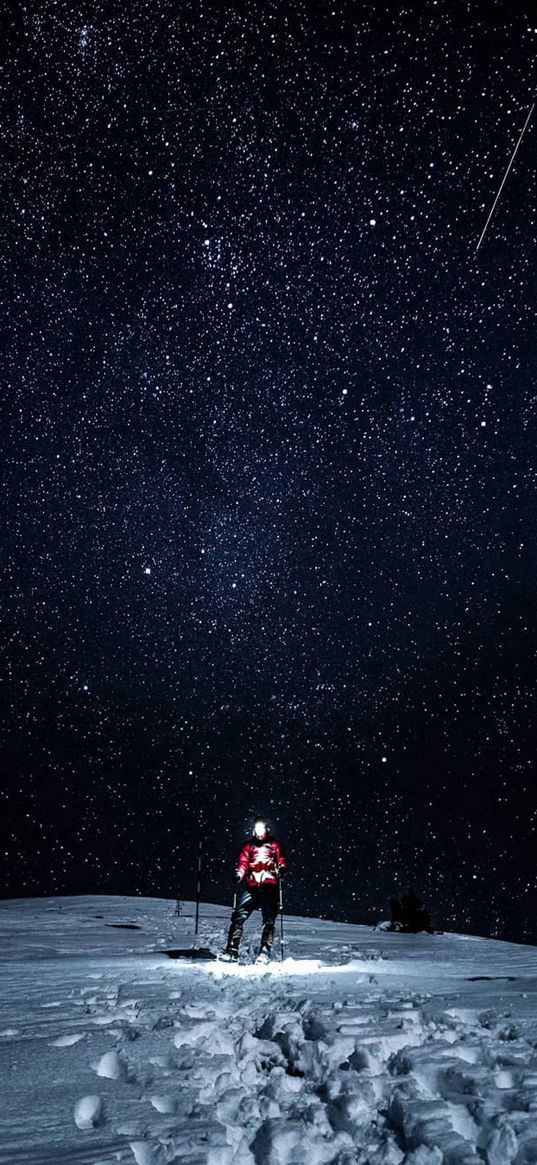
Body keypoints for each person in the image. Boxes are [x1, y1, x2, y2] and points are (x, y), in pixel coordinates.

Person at [221, 818, 287, 963]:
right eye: (257, 829)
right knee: (239, 914)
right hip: (252, 885)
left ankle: (264, 951)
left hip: (269, 885)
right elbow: (243, 863)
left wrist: (281, 868)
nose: (259, 832)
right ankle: (232, 949)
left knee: (269, 918)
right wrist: (239, 874)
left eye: (261, 829)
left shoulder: (274, 844)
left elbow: (281, 858)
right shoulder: (248, 846)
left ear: (266, 829)